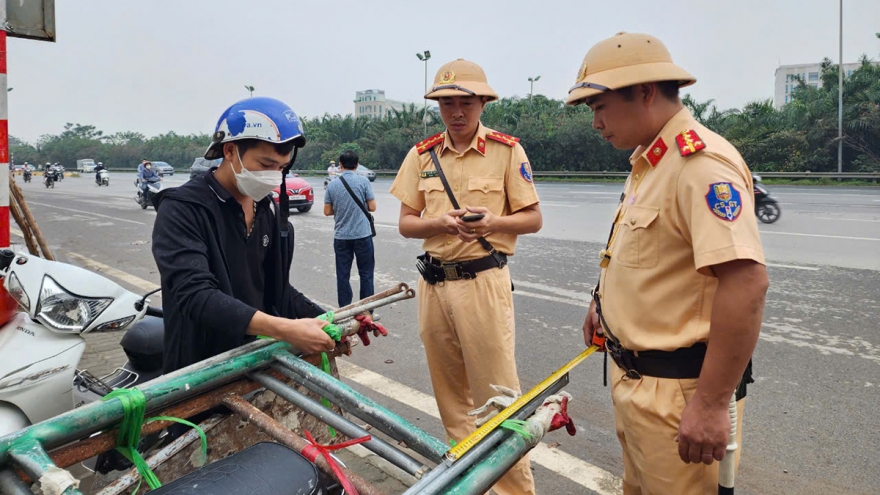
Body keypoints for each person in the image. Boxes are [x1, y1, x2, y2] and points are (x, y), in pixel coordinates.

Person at [569, 32, 769, 495]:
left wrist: (712, 404)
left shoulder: (700, 164)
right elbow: (655, 261)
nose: (595, 123)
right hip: (638, 383)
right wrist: (605, 304)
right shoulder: (651, 161)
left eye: (599, 107)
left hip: (679, 394)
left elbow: (746, 283)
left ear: (643, 91)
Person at [389, 58, 542, 495]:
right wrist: (440, 223)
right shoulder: (422, 155)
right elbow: (405, 222)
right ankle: (475, 487)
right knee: (452, 399)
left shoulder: (506, 151)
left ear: (483, 103)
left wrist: (492, 222)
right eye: (447, 102)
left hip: (482, 283)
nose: (456, 111)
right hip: (433, 285)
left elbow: (532, 218)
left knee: (498, 397)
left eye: (466, 102)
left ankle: (514, 491)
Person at [152, 96, 335, 373]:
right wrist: (286, 329)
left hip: (255, 360)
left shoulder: (268, 210)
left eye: (282, 168)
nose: (274, 176)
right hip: (200, 367)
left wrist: (330, 321)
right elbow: (196, 295)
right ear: (229, 151)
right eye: (265, 164)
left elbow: (276, 289)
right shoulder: (183, 210)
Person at [324, 150, 376, 308]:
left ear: (340, 165)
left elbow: (327, 211)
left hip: (341, 237)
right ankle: (367, 311)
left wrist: (340, 208)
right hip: (362, 235)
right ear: (357, 165)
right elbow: (372, 207)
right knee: (366, 274)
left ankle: (345, 311)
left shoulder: (332, 184)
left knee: (343, 275)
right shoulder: (364, 182)